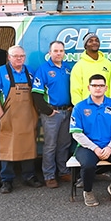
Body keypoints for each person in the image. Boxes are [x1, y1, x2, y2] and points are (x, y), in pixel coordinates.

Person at [70, 74, 111, 207]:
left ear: (106, 88)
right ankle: (88, 191)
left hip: (110, 144)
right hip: (87, 146)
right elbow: (76, 133)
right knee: (88, 165)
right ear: (89, 87)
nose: (98, 88)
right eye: (94, 85)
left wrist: (110, 147)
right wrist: (95, 148)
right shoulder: (80, 107)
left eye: (101, 85)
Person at [0, 45, 42, 193]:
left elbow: (38, 93)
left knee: (29, 146)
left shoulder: (30, 71)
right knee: (7, 147)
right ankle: (7, 180)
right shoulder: (0, 72)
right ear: (9, 57)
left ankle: (29, 176)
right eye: (15, 56)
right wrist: (2, 116)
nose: (19, 59)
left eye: (22, 56)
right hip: (9, 117)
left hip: (28, 116)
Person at [31, 40, 74, 189]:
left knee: (64, 144)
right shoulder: (43, 69)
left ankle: (63, 171)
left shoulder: (67, 68)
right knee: (50, 146)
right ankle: (49, 175)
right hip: (52, 113)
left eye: (61, 51)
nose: (58, 53)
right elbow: (36, 93)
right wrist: (48, 111)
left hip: (67, 112)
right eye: (55, 51)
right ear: (49, 53)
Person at [70, 33, 111, 104]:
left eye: (96, 40)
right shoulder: (79, 66)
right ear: (85, 45)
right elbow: (75, 91)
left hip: (106, 106)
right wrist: (80, 108)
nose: (94, 43)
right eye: (90, 41)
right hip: (87, 107)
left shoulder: (108, 64)